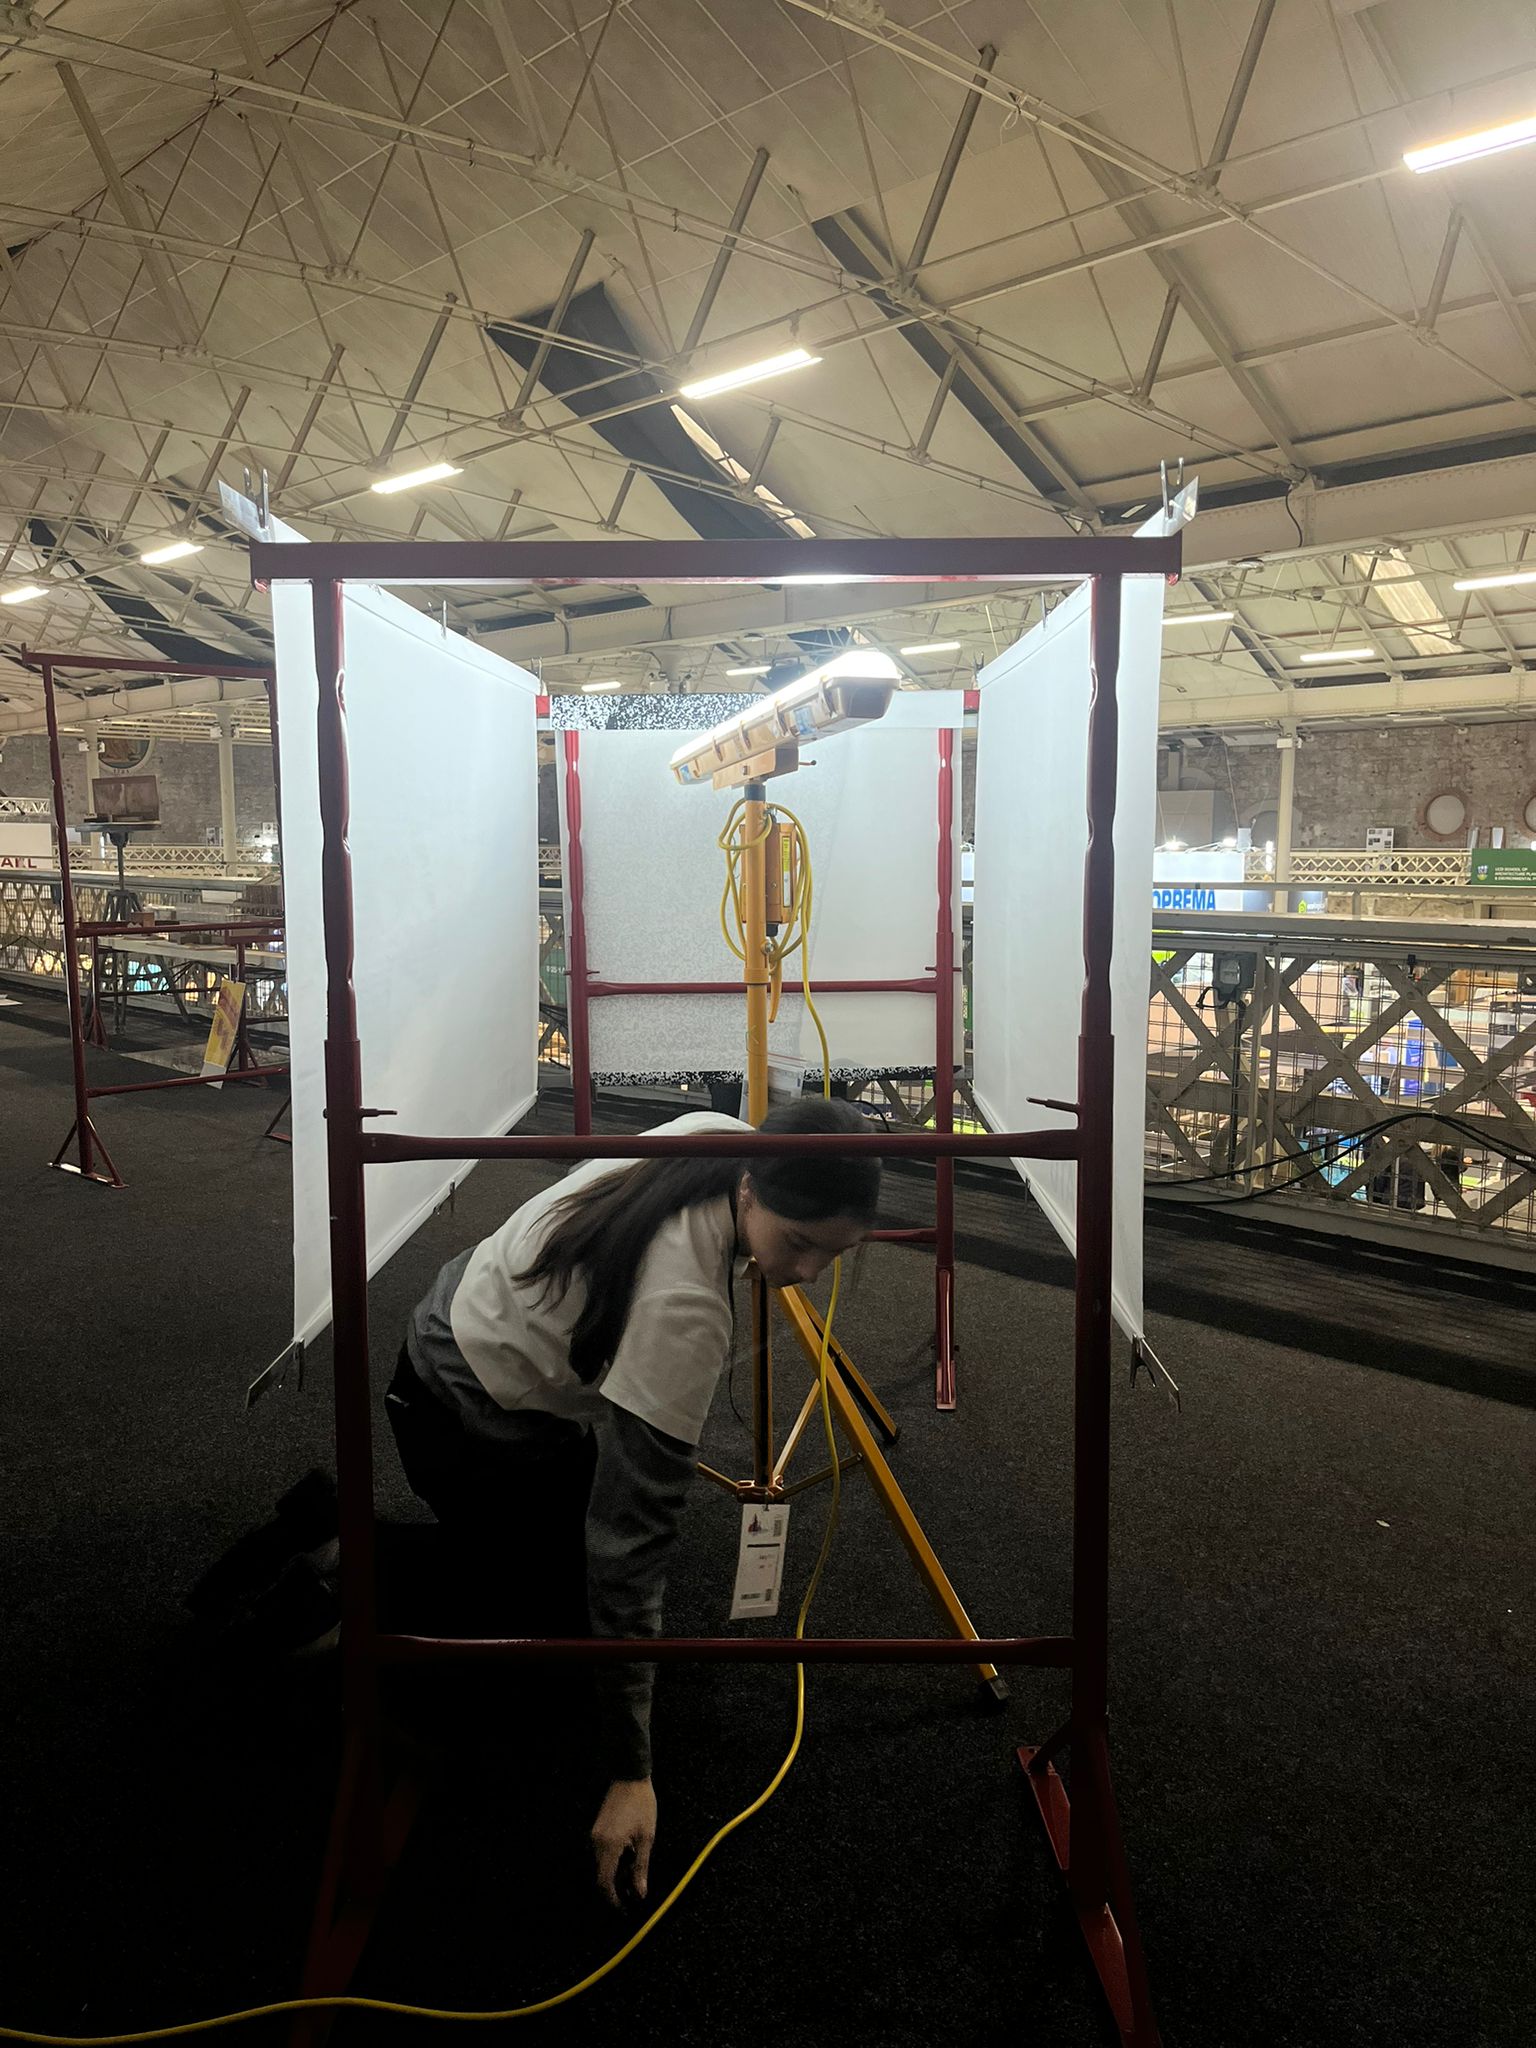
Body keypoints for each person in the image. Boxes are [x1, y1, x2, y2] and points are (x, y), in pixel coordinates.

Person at [383, 1095, 881, 1909]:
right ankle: (341, 1558)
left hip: (472, 1321)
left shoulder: (717, 1135)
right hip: (460, 1410)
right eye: (798, 1243)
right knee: (543, 1655)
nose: (807, 1275)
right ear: (750, 1189)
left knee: (578, 1616)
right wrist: (631, 1773)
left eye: (834, 1252)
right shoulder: (684, 1312)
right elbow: (631, 1544)